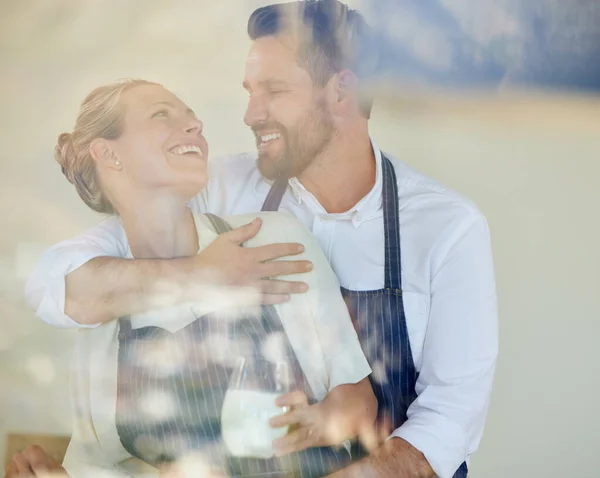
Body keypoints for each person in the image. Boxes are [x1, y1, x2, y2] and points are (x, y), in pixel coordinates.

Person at [24, 1, 498, 477]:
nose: (250, 114)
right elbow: (56, 282)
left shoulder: (446, 228)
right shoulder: (219, 188)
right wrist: (200, 275)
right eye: (251, 91)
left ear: (341, 92)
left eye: (274, 90)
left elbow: (446, 420)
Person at [10, 79, 377, 478]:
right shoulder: (101, 313)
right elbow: (98, 464)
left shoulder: (271, 239)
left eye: (191, 116)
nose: (195, 124)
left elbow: (358, 404)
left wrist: (318, 424)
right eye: (161, 115)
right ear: (107, 153)